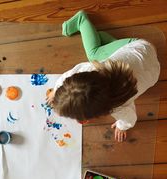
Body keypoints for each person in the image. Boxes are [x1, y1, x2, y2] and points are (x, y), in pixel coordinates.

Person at [47, 10, 160, 142]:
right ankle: (100, 39)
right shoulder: (91, 68)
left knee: (93, 55)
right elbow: (68, 76)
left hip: (145, 55)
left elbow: (130, 120)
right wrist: (56, 90)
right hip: (142, 48)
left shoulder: (118, 107)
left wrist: (121, 126)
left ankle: (81, 20)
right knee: (95, 56)